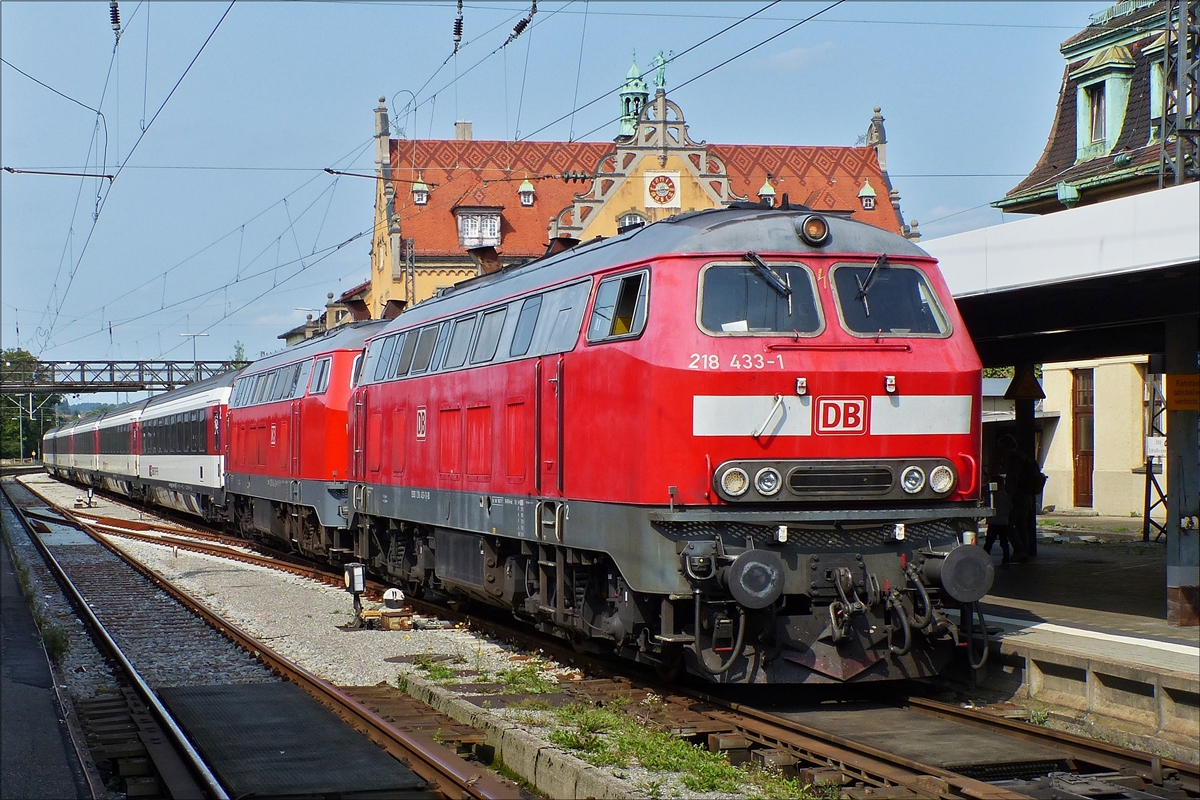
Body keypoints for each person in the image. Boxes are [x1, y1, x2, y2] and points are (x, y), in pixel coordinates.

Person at [997, 434, 1041, 563]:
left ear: (1007, 447)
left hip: (1018, 497)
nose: (1001, 452)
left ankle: (1019, 550)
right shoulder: (1024, 458)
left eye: (1002, 448)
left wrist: (1008, 497)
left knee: (1008, 523)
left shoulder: (1014, 460)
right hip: (1027, 496)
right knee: (1021, 524)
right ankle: (1024, 551)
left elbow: (1012, 480)